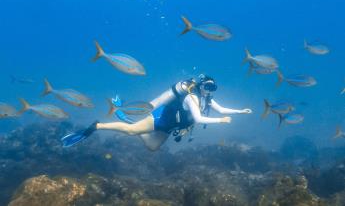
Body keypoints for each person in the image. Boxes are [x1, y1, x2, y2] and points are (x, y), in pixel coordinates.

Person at [61, 74, 252, 151]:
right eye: (207, 87)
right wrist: (221, 122)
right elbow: (199, 118)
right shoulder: (191, 97)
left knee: (152, 147)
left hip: (171, 126)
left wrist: (240, 111)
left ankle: (127, 118)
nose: (209, 91)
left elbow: (221, 109)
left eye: (213, 88)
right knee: (131, 131)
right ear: (200, 86)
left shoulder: (206, 98)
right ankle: (96, 126)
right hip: (160, 119)